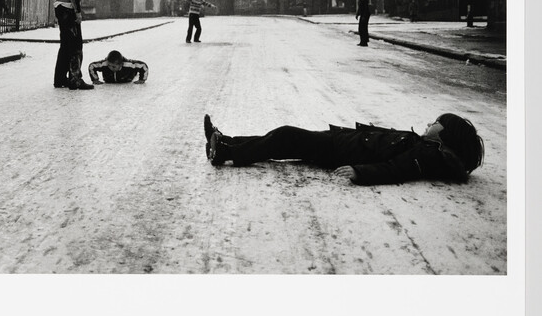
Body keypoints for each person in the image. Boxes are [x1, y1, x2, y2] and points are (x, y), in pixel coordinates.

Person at [203, 113, 484, 186]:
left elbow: (396, 169)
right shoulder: (426, 148)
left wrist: (360, 173)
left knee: (285, 136)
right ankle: (225, 140)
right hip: (342, 143)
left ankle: (227, 151)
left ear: (445, 136)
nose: (429, 124)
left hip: (339, 151)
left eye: (435, 124)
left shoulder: (426, 154)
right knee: (282, 137)